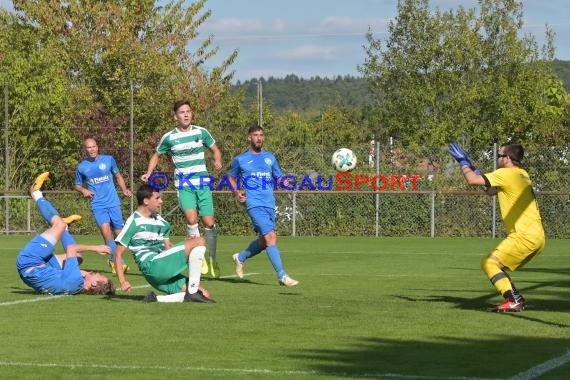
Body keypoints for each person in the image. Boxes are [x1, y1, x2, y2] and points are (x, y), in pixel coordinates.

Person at [447, 142, 545, 312]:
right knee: (495, 265)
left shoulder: (507, 173)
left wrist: (463, 162)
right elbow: (491, 190)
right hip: (537, 237)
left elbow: (472, 180)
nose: (497, 158)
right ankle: (514, 298)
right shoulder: (522, 174)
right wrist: (473, 166)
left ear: (507, 158)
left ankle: (514, 300)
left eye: (499, 155)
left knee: (489, 263)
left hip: (523, 236)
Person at [141, 99, 223, 279]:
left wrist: (217, 159)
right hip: (184, 184)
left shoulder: (201, 132)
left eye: (188, 111)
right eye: (182, 112)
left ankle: (213, 258)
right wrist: (148, 172)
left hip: (202, 183)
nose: (186, 114)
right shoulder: (169, 137)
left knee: (209, 223)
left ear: (191, 114)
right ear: (176, 116)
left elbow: (215, 150)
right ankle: (199, 259)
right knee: (192, 220)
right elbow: (156, 155)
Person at [17, 172, 115, 296]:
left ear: (94, 284)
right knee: (78, 257)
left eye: (99, 276)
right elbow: (75, 266)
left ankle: (36, 192)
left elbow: (71, 248)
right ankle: (65, 229)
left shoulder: (74, 281)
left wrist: (95, 248)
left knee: (59, 225)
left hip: (29, 261)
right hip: (39, 268)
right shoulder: (76, 287)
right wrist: (87, 274)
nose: (97, 273)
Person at [113, 184, 214, 303]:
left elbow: (167, 247)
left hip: (159, 270)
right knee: (200, 240)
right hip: (151, 265)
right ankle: (192, 292)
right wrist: (123, 281)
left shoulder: (162, 222)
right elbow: (118, 254)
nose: (161, 201)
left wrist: (186, 249)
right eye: (157, 198)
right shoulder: (133, 222)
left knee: (205, 294)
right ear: (146, 201)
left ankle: (156, 299)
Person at [227, 125, 299, 287]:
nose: (259, 138)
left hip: (269, 203)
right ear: (249, 138)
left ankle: (240, 257)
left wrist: (285, 182)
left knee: (264, 241)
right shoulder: (241, 159)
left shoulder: (270, 158)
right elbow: (231, 178)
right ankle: (282, 275)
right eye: (255, 135)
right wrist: (237, 192)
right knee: (271, 237)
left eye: (261, 135)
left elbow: (278, 177)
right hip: (253, 203)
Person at [74, 137, 133, 274]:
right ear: (85, 149)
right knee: (107, 234)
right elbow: (77, 185)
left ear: (97, 147)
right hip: (98, 204)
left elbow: (118, 176)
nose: (92, 149)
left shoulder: (108, 159)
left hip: (113, 202)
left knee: (120, 235)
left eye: (94, 146)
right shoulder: (82, 167)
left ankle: (113, 260)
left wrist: (124, 189)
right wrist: (83, 190)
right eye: (89, 147)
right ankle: (120, 263)